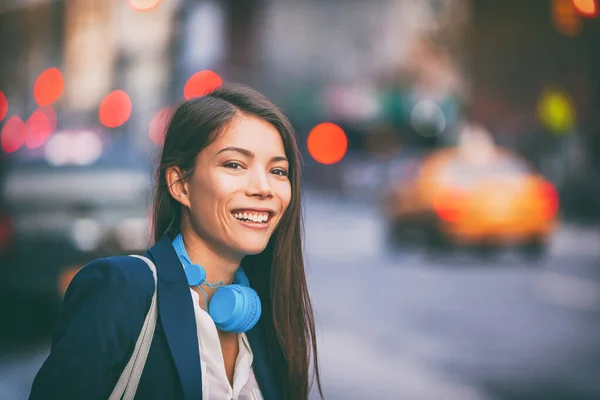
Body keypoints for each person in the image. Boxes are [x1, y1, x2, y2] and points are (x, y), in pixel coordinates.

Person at [29, 83, 323, 400]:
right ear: (180, 184)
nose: (264, 188)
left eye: (278, 170)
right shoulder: (121, 290)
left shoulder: (267, 324)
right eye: (235, 164)